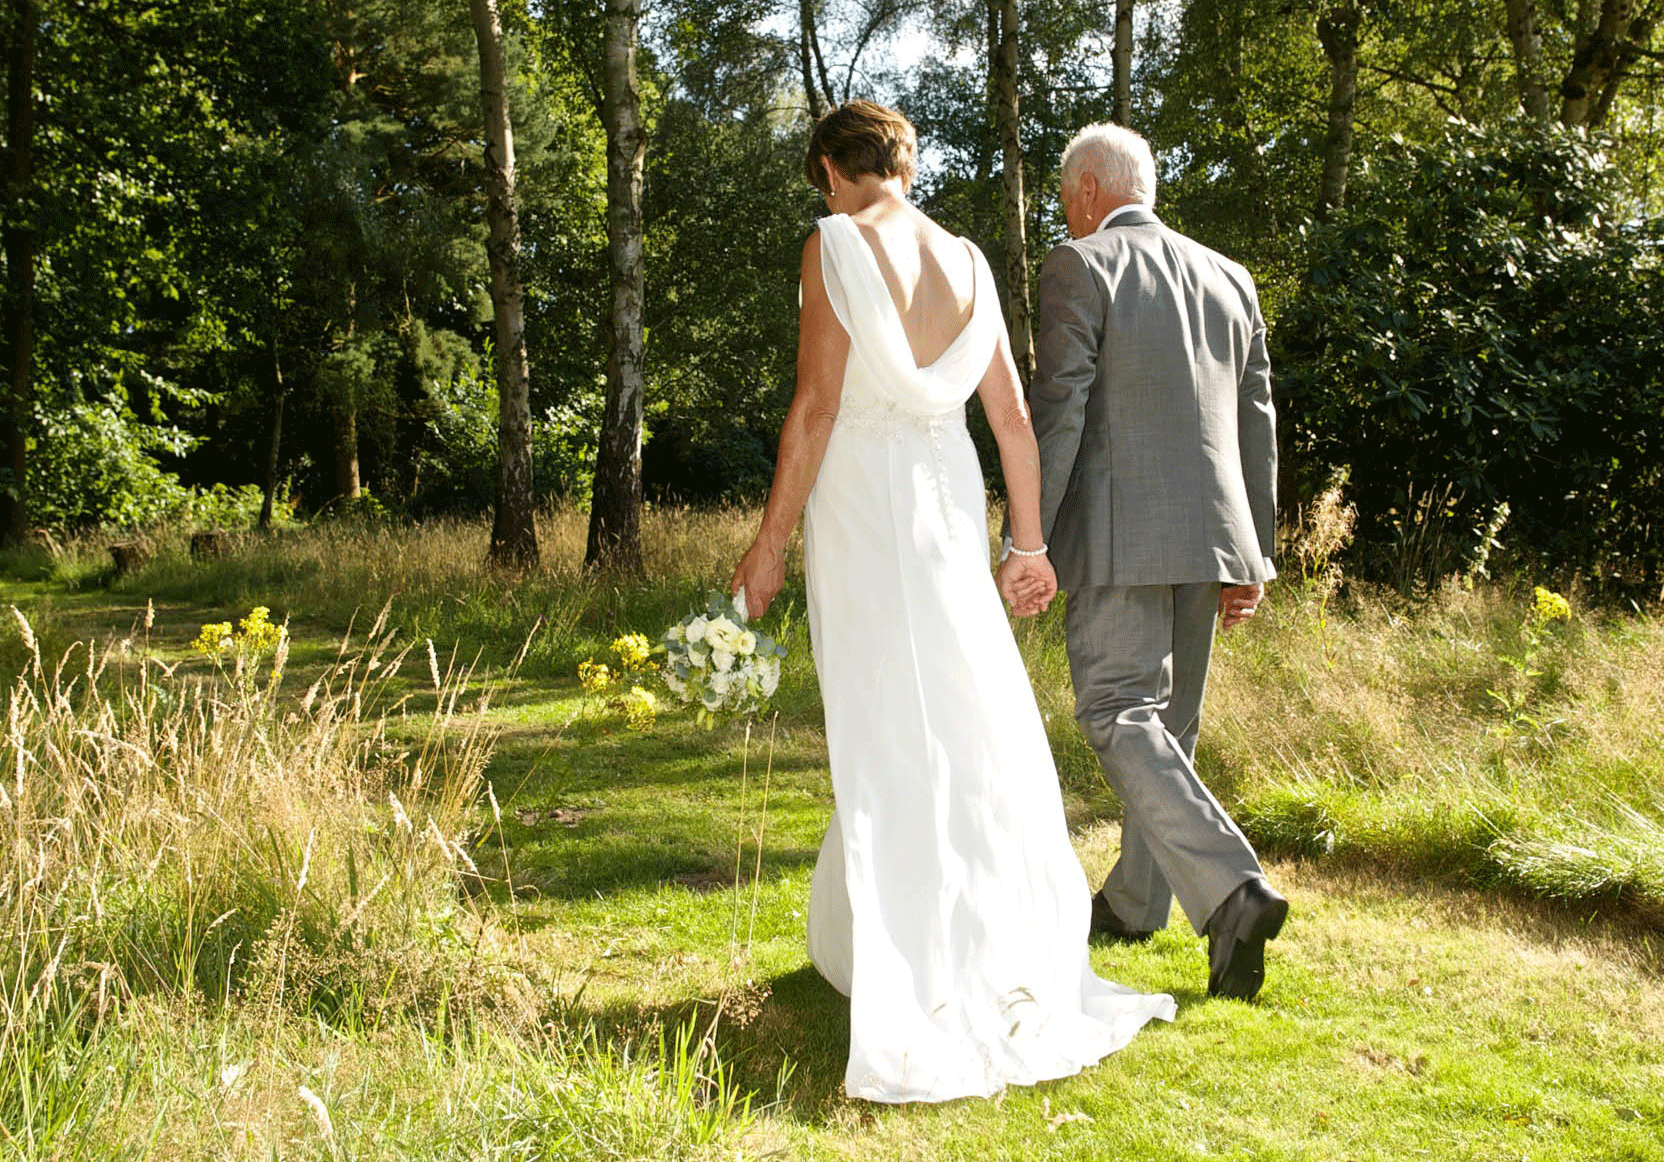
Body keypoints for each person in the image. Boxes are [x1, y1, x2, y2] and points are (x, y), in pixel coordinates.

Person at [730, 101, 1174, 1104]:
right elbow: (1013, 421)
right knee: (963, 721)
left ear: (832, 173)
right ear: (902, 163)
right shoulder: (968, 258)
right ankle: (940, 939)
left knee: (884, 723)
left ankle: (917, 961)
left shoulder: (834, 243)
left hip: (863, 513)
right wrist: (1026, 547)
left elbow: (815, 406)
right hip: (944, 511)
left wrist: (766, 546)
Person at [1005, 122, 1287, 1002]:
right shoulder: (1231, 277)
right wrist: (1256, 555)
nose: (1065, 214)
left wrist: (1028, 541)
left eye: (1063, 198)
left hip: (1119, 538)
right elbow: (1257, 426)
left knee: (1119, 713)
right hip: (1213, 539)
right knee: (1172, 730)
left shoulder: (1078, 266)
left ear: (1088, 189)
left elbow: (1059, 410)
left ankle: (1233, 890)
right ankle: (1135, 904)